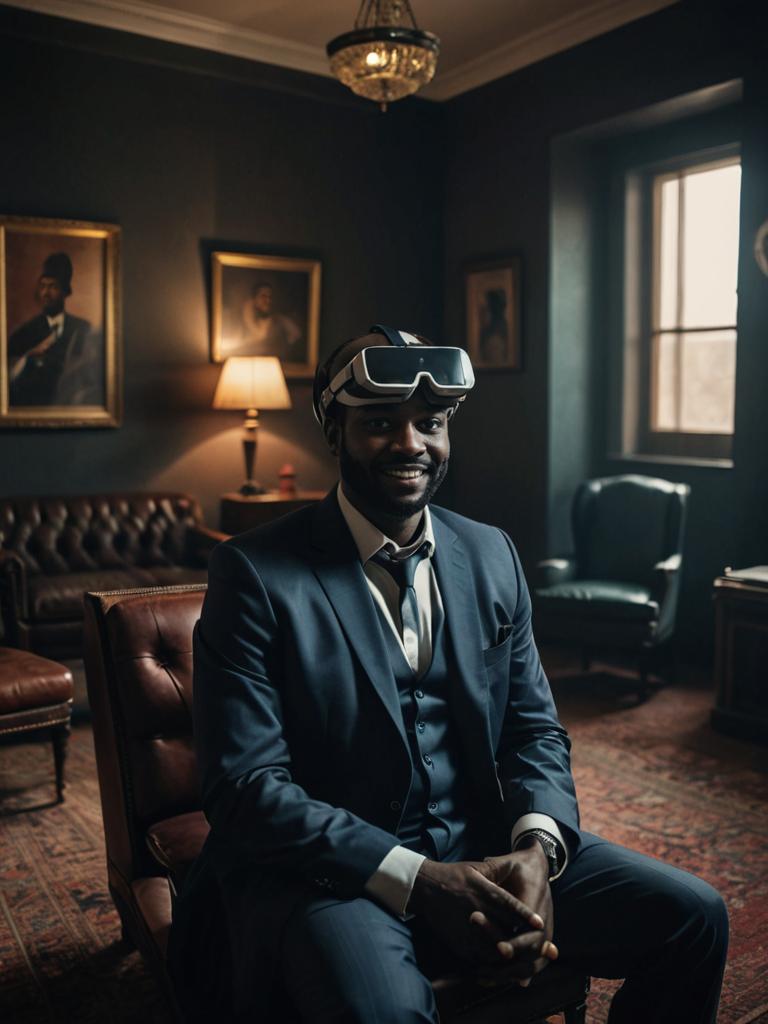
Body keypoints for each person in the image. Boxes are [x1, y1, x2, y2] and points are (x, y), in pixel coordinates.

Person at [169, 324, 728, 1023]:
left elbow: (534, 730)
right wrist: (420, 880)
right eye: (379, 423)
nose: (411, 445)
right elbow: (246, 790)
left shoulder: (491, 553)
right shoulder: (253, 573)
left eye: (430, 423)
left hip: (487, 842)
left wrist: (536, 849)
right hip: (335, 874)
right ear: (333, 432)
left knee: (695, 916)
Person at [7, 252, 103, 407]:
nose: (46, 293)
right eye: (43, 286)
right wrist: (28, 358)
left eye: (53, 287)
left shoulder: (83, 328)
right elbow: (7, 379)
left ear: (65, 292)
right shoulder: (24, 333)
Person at [240, 281, 302, 362]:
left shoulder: (281, 321)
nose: (268, 301)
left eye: (270, 297)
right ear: (254, 300)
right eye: (263, 296)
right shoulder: (244, 323)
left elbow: (296, 335)